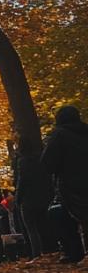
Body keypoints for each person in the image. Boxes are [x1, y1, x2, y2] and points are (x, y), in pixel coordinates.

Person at [43, 105, 88, 256]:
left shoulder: (59, 135)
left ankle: (74, 252)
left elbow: (47, 163)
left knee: (65, 217)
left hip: (71, 185)